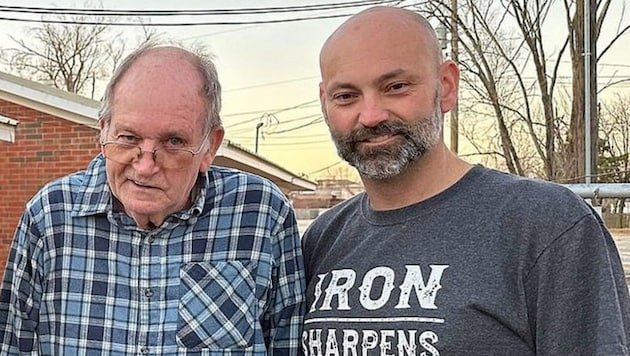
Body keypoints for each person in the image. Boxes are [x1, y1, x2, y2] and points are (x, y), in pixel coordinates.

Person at [300, 6, 630, 355]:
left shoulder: (547, 224)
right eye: (346, 96)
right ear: (325, 103)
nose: (370, 116)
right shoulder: (322, 240)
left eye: (396, 87)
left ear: (446, 87)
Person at [0, 44, 305, 354]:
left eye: (173, 142)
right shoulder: (50, 216)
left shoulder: (260, 214)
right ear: (103, 131)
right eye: (129, 138)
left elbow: (287, 341)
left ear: (210, 146)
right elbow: (11, 343)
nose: (145, 167)